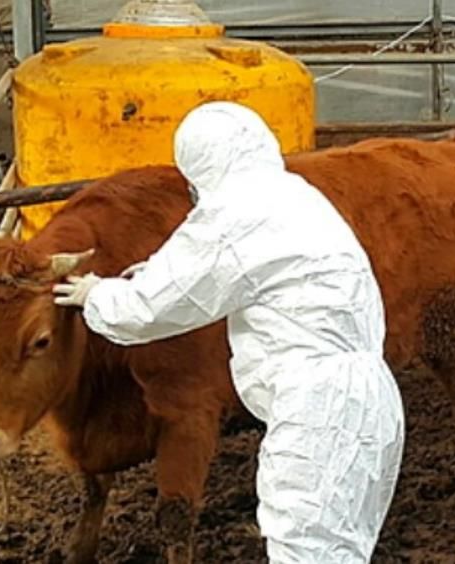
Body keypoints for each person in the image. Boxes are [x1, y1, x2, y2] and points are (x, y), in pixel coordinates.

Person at [53, 101, 405, 563]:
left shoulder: (234, 213)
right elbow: (221, 271)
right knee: (343, 549)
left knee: (305, 551)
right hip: (373, 400)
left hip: (316, 410)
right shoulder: (297, 197)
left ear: (200, 166)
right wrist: (150, 273)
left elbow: (149, 308)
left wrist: (95, 294)